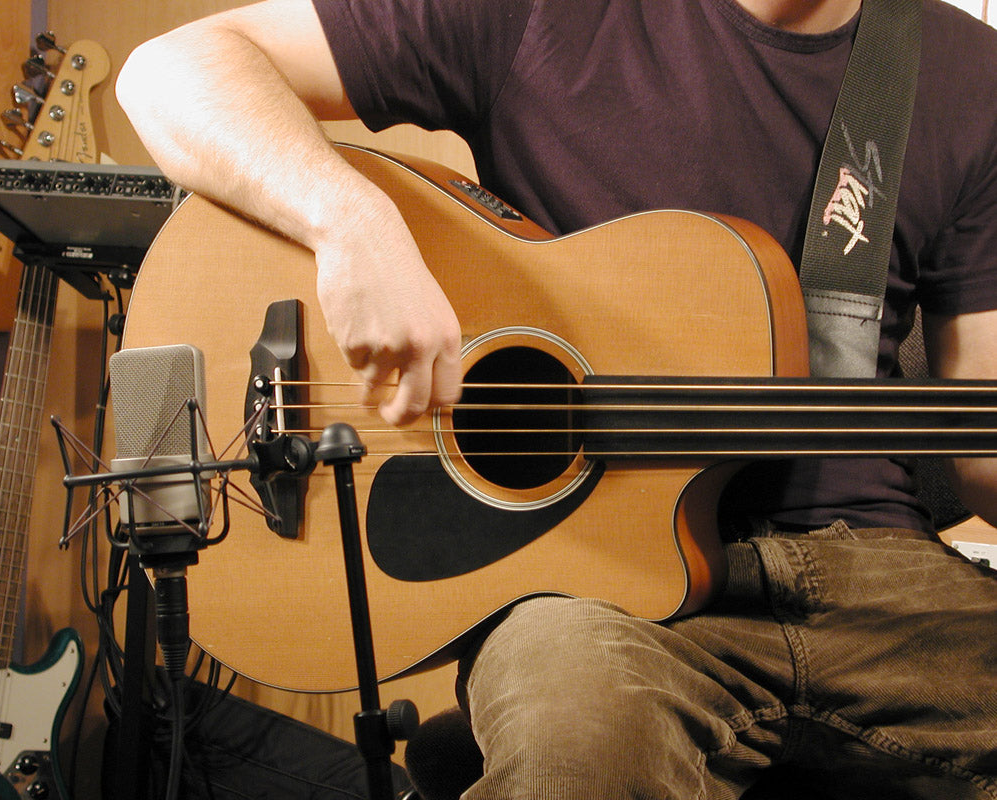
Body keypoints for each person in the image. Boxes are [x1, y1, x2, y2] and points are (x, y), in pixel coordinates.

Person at [116, 1, 997, 797]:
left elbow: (980, 452)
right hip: (592, 590)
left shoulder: (970, 73)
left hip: (878, 577)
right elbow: (173, 70)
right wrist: (351, 225)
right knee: (575, 755)